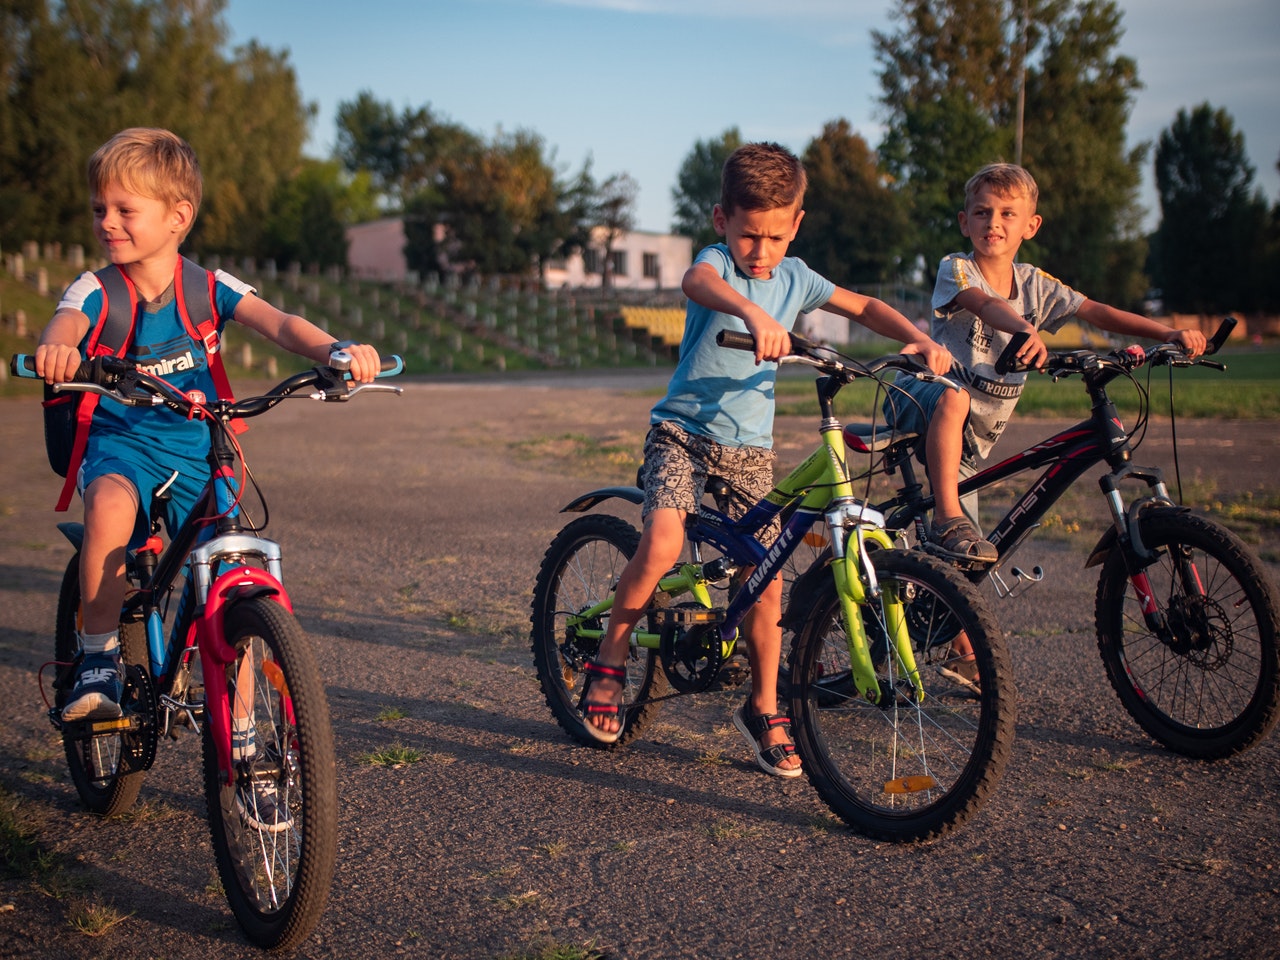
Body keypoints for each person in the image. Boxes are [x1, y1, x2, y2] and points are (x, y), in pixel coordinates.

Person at [579, 142, 952, 777]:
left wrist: (917, 337)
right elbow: (696, 281)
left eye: (776, 236)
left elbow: (862, 306)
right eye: (750, 234)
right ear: (722, 219)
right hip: (682, 433)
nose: (762, 250)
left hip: (748, 450)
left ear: (797, 224)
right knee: (664, 544)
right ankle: (610, 659)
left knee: (767, 581)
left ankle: (763, 705)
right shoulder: (718, 263)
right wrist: (750, 311)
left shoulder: (798, 275)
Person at [35, 128, 382, 775]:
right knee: (108, 513)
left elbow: (277, 321)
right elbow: (66, 323)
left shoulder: (208, 287)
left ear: (178, 217)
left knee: (230, 583)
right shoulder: (97, 289)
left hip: (202, 449)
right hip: (123, 445)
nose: (106, 222)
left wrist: (336, 352)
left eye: (123, 210)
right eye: (99, 209)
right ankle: (98, 655)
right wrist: (59, 348)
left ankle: (245, 729)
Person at [886, 161, 1207, 689]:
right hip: (918, 403)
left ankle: (958, 645)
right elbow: (983, 304)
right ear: (965, 222)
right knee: (954, 409)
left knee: (967, 565)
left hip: (967, 442)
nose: (995, 222)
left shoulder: (1035, 283)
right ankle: (945, 517)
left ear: (1030, 226)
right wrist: (1023, 328)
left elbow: (1096, 311)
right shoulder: (956, 268)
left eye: (1008, 214)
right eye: (983, 212)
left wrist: (1168, 332)